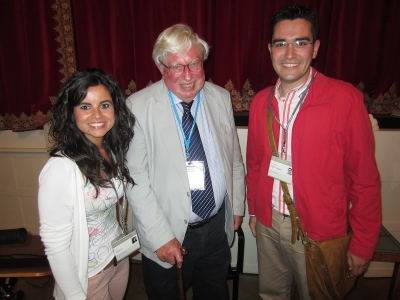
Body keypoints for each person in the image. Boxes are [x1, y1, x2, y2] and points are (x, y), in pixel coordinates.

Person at [246, 4, 381, 300]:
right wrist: (254, 210)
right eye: (281, 44)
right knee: (271, 295)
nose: (290, 54)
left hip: (319, 230)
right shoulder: (260, 103)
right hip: (268, 225)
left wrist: (362, 243)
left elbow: (364, 180)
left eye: (300, 43)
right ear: (270, 49)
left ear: (315, 48)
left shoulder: (345, 99)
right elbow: (255, 165)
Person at [125, 23, 246, 300]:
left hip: (216, 226)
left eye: (194, 63)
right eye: (177, 67)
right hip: (168, 231)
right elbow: (136, 181)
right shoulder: (137, 107)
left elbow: (234, 160)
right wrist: (160, 236)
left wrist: (236, 206)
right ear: (161, 68)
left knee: (214, 294)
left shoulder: (220, 97)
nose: (188, 75)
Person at [38, 68, 136, 300]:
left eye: (104, 104)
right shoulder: (61, 168)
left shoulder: (112, 149)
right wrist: (74, 296)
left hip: (118, 258)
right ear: (71, 113)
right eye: (85, 106)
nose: (97, 115)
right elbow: (55, 245)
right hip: (88, 274)